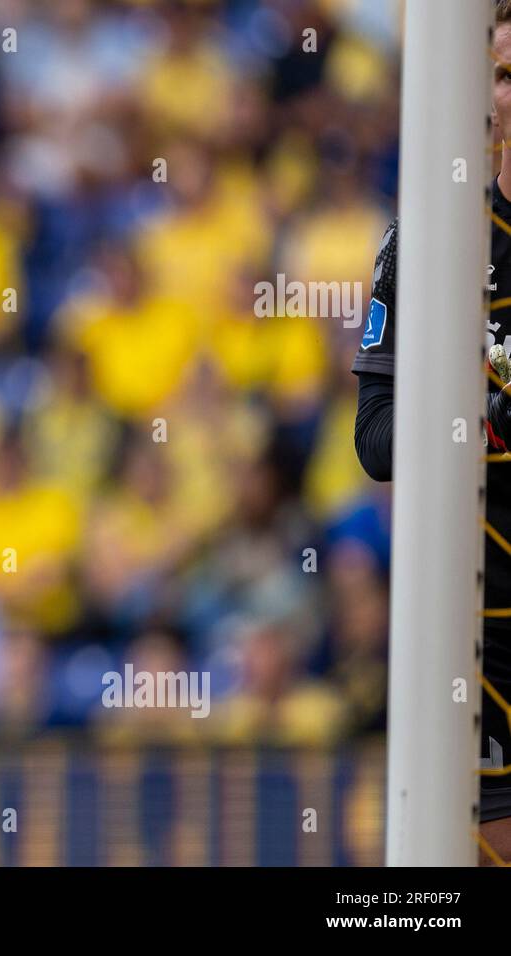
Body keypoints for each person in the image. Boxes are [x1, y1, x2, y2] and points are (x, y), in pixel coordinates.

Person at [352, 0, 511, 866]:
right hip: (476, 624)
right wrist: (476, 409)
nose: (498, 100)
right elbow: (373, 445)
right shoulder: (424, 243)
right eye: (490, 73)